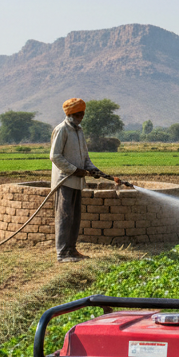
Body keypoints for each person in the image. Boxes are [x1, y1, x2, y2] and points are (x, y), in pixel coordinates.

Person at [49, 98, 115, 262]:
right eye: (78, 114)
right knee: (64, 217)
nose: (81, 117)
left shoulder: (79, 131)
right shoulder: (62, 129)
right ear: (70, 114)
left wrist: (92, 169)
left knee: (74, 217)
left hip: (77, 181)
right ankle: (62, 253)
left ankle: (72, 250)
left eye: (83, 114)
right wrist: (74, 170)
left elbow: (85, 157)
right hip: (64, 181)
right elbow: (55, 156)